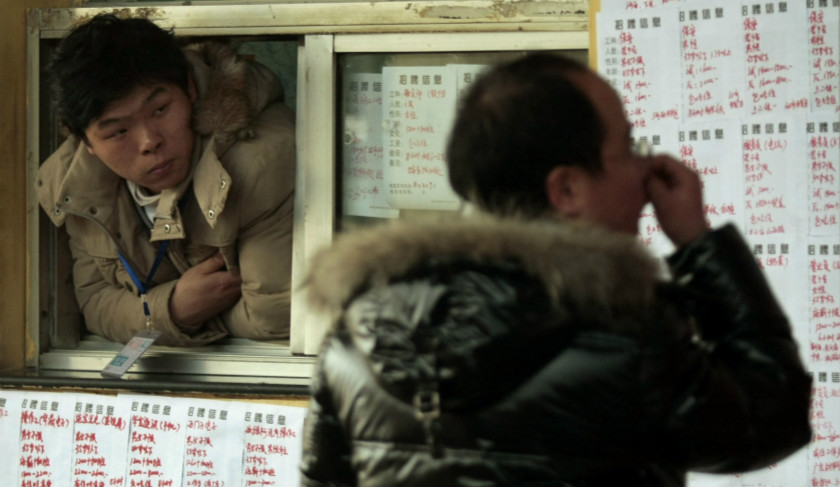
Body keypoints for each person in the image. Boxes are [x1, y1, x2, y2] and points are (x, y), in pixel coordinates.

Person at [298, 53, 811, 486]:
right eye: (628, 147)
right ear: (566, 189)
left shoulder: (353, 340)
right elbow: (770, 420)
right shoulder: (626, 338)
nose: (645, 169)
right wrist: (699, 245)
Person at [36, 14, 295, 346]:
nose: (149, 142)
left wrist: (155, 316)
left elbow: (274, 317)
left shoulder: (258, 162)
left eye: (160, 110)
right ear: (86, 143)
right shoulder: (75, 189)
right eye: (118, 132)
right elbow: (95, 302)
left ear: (189, 89)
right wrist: (174, 310)